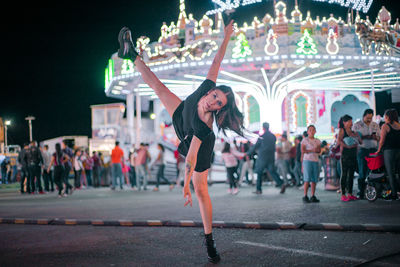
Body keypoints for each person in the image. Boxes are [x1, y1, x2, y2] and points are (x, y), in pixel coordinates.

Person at [117, 20, 244, 263]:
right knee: (158, 86)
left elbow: (192, 157)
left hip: (196, 143)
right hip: (182, 113)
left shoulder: (204, 128)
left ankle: (209, 240)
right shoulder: (207, 86)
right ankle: (130, 54)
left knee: (202, 192)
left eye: (218, 104)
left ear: (218, 110)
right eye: (215, 96)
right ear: (211, 91)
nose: (213, 101)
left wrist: (186, 185)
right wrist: (226, 36)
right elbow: (216, 61)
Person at [247, 122, 285, 195]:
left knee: (259, 172)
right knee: (272, 171)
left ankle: (259, 189)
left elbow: (255, 146)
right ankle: (281, 184)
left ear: (263, 128)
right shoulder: (273, 136)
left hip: (262, 157)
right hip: (271, 156)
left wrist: (248, 153)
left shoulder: (262, 137)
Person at [353, 109, 380, 199]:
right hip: (362, 150)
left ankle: (371, 192)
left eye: (371, 118)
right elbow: (354, 137)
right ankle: (361, 191)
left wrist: (375, 137)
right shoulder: (357, 125)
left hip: (373, 150)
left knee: (371, 171)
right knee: (362, 171)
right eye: (367, 118)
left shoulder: (375, 125)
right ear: (363, 116)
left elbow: (380, 137)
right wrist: (365, 137)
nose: (369, 120)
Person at [377, 109, 400, 200]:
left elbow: (382, 141)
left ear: (388, 117)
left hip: (389, 151)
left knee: (391, 172)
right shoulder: (399, 125)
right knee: (398, 172)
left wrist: (378, 150)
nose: (384, 118)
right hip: (399, 151)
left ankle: (394, 194)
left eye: (385, 116)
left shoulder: (385, 126)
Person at [338, 115, 362, 202]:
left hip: (353, 154)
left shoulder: (353, 131)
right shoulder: (342, 130)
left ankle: (350, 194)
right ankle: (343, 194)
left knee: (351, 174)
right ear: (344, 122)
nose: (351, 123)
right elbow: (339, 141)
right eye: (350, 121)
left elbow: (360, 141)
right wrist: (347, 146)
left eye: (352, 121)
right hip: (345, 154)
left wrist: (357, 137)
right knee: (344, 174)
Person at [301, 125, 321, 203]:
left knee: (314, 179)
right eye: (310, 130)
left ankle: (313, 195)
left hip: (315, 161)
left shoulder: (317, 141)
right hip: (307, 161)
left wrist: (310, 150)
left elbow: (319, 150)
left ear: (315, 131)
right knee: (307, 179)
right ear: (307, 132)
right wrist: (313, 150)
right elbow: (303, 150)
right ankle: (305, 196)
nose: (312, 131)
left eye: (313, 130)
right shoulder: (304, 140)